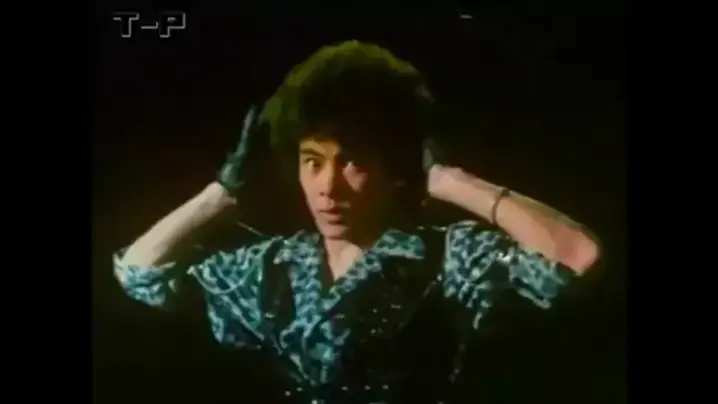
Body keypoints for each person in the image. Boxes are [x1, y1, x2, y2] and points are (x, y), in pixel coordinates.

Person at [113, 40, 601, 404]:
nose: (328, 186)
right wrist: (219, 196)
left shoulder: (445, 257)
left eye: (352, 162)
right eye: (312, 161)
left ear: (394, 169)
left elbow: (575, 256)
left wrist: (450, 181)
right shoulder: (274, 266)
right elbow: (140, 273)